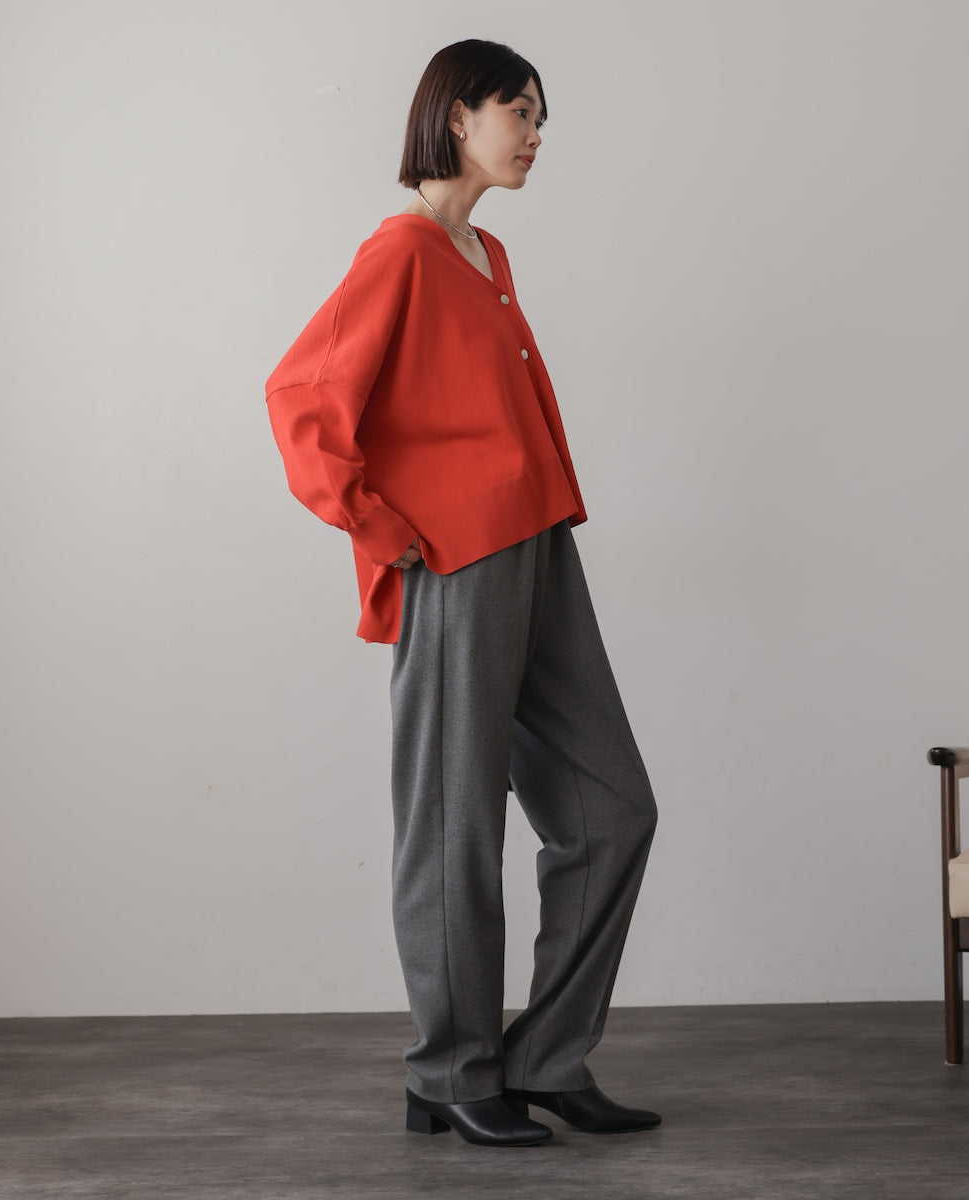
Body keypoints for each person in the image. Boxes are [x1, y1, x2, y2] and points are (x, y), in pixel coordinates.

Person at [266, 39, 659, 1148]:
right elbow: (300, 395)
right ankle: (449, 1070)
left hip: (537, 546)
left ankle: (543, 1059)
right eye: (518, 112)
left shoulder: (484, 252)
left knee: (613, 810)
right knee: (454, 825)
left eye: (539, 118)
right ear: (456, 118)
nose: (533, 135)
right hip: (457, 562)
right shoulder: (402, 250)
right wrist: (380, 526)